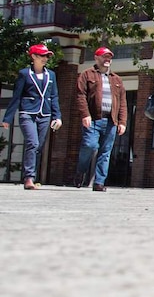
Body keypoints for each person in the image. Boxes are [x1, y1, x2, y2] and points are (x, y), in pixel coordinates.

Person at [2, 44, 62, 190]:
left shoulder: (51, 75)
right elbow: (16, 96)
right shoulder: (24, 74)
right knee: (32, 143)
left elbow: (53, 96)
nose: (45, 58)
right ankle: (29, 177)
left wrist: (57, 116)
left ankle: (32, 177)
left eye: (47, 56)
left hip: (45, 114)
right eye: (42, 55)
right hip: (27, 113)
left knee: (38, 147)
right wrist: (8, 118)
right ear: (33, 56)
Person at [73, 47, 127, 192]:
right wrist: (85, 114)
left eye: (109, 57)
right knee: (89, 146)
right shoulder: (87, 75)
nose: (107, 60)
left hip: (110, 121)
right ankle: (81, 170)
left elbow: (122, 101)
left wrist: (122, 122)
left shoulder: (116, 79)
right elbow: (80, 96)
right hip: (93, 119)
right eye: (104, 57)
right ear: (96, 58)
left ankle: (99, 182)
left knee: (106, 151)